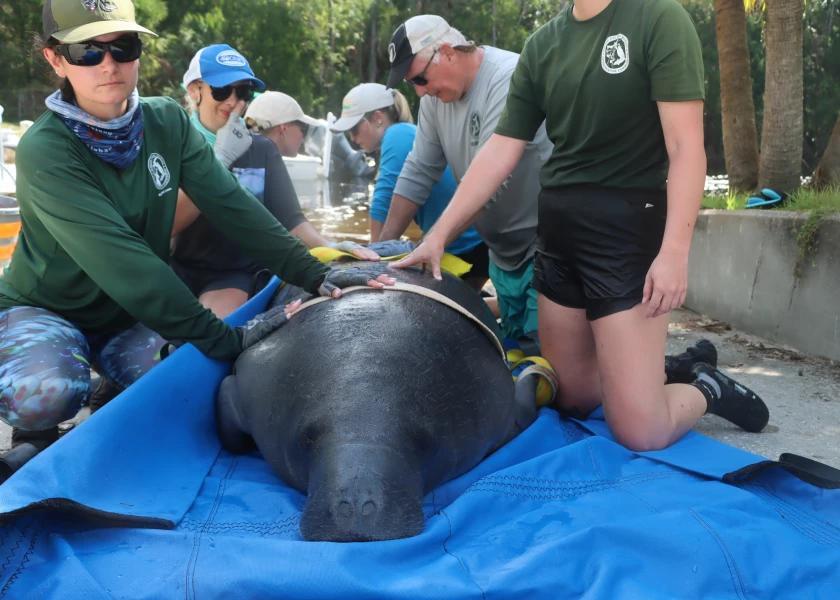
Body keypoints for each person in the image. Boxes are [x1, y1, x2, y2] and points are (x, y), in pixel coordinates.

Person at [0, 0, 392, 475]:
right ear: (56, 59)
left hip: (127, 315)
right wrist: (227, 338)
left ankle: (114, 388)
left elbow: (234, 206)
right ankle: (34, 434)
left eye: (123, 46)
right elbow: (126, 264)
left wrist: (316, 274)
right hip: (48, 307)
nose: (109, 64)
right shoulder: (46, 149)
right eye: (88, 51)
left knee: (194, 383)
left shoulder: (166, 121)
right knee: (47, 393)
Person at [393, 1, 769, 450]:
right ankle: (653, 375)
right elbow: (500, 149)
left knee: (639, 430)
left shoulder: (658, 17)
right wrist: (437, 237)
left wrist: (674, 253)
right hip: (557, 230)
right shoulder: (542, 44)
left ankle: (707, 388)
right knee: (572, 397)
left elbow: (686, 147)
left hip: (626, 230)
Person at [378, 15, 551, 346]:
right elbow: (419, 169)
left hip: (547, 245)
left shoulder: (508, 76)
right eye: (412, 85)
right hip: (502, 255)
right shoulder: (433, 100)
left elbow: (493, 178)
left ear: (447, 51)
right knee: (512, 352)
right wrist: (382, 248)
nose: (421, 91)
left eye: (420, 78)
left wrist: (435, 239)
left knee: (545, 361)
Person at [174, 49, 378, 317]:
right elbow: (167, 223)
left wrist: (330, 248)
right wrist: (218, 161)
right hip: (175, 269)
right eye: (223, 90)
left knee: (214, 324)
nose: (233, 102)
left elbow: (293, 222)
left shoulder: (262, 150)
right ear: (195, 90)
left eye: (243, 92)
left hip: (231, 273)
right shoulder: (172, 143)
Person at [328, 82, 488, 290]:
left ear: (377, 118)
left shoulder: (397, 134)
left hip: (465, 245)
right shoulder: (409, 133)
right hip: (474, 240)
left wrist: (373, 258)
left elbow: (382, 200)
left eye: (354, 128)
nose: (352, 138)